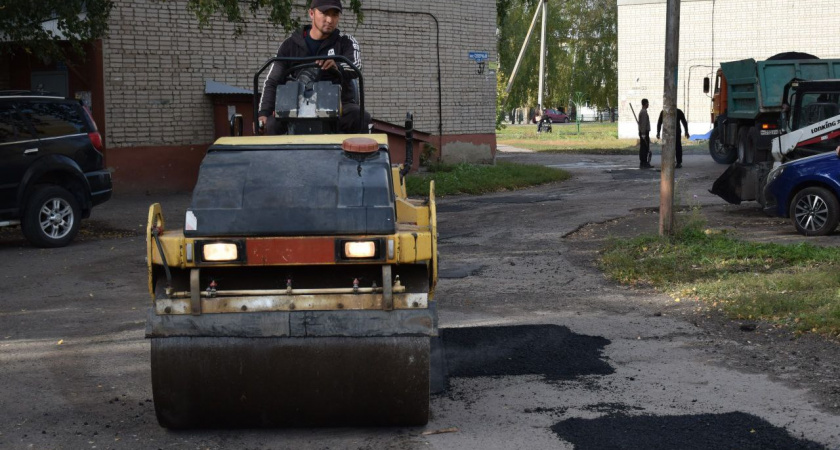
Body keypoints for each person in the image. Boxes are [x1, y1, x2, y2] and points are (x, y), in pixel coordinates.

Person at [258, 0, 369, 134]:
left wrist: (337, 66)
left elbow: (356, 66)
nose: (329, 20)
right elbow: (273, 80)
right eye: (325, 13)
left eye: (334, 15)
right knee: (270, 125)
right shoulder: (289, 45)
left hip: (338, 106)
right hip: (295, 106)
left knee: (360, 117)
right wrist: (263, 113)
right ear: (311, 13)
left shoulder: (346, 42)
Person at [638, 99, 652, 169]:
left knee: (644, 147)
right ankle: (644, 162)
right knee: (644, 148)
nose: (648, 104)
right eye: (647, 103)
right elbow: (643, 124)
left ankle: (644, 162)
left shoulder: (643, 111)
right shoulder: (643, 112)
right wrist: (643, 133)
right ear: (645, 104)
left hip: (644, 132)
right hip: (644, 132)